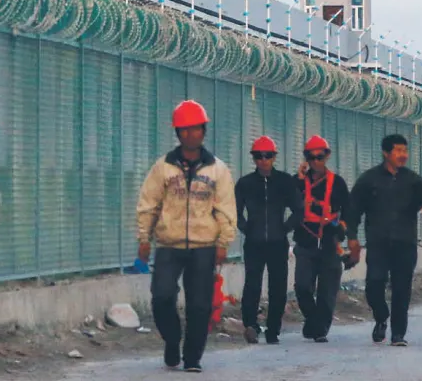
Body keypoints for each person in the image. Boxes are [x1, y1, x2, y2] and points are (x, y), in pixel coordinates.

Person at [136, 99, 237, 373]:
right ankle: (172, 339)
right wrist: (144, 237)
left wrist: (223, 242)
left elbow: (225, 209)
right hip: (169, 244)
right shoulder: (163, 168)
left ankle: (192, 358)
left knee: (200, 305)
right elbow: (149, 203)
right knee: (162, 296)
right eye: (184, 130)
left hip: (205, 246)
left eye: (196, 129)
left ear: (204, 131)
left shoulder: (217, 170)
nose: (191, 135)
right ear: (178, 133)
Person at [345, 133, 422, 347]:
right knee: (374, 284)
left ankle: (398, 334)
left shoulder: (413, 180)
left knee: (402, 289)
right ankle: (381, 316)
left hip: (406, 244)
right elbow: (353, 210)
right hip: (378, 244)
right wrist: (352, 238)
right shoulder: (369, 180)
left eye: (405, 150)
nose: (403, 155)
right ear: (386, 153)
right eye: (398, 151)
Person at [234, 135, 303, 344]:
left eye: (267, 156)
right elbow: (235, 212)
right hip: (254, 244)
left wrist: (284, 229)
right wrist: (248, 229)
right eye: (259, 156)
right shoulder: (245, 183)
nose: (263, 160)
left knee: (278, 286)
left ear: (274, 158)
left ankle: (273, 329)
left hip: (277, 243)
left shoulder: (284, 182)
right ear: (254, 158)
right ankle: (250, 325)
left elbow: (299, 209)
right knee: (252, 285)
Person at [293, 134, 350, 343]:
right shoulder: (299, 182)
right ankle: (313, 320)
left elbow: (349, 211)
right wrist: (298, 180)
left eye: (320, 157)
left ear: (327, 156)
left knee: (327, 292)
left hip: (329, 244)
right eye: (312, 157)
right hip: (305, 243)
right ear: (306, 159)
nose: (316, 161)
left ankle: (319, 330)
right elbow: (288, 201)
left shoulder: (337, 183)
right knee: (302, 286)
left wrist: (343, 227)